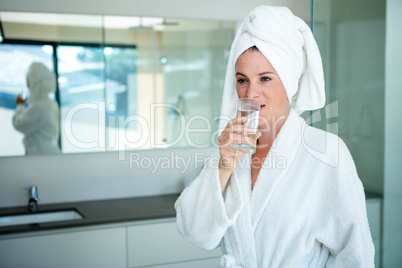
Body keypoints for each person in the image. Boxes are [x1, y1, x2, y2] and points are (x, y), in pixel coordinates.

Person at [174, 6, 374, 268]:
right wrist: (223, 165)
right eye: (242, 80)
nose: (251, 93)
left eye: (265, 78)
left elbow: (355, 254)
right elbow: (195, 232)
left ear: (289, 82)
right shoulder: (232, 149)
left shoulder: (326, 151)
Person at [13, 62, 60, 155]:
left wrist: (20, 106)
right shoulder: (51, 103)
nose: (27, 86)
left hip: (41, 153)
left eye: (29, 82)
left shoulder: (41, 106)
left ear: (36, 83)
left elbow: (19, 124)